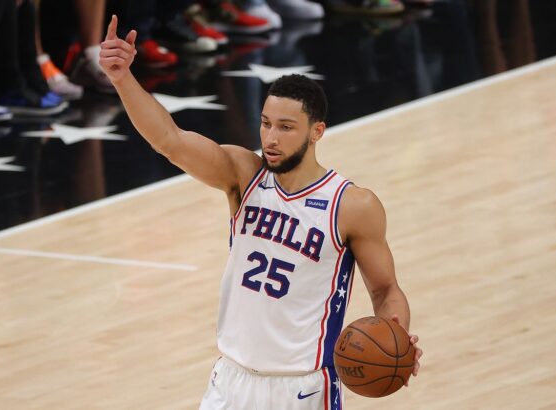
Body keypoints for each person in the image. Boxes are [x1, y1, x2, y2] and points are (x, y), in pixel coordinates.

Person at [100, 15, 422, 409]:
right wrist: (122, 79)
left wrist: (395, 337)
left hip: (301, 389)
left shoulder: (351, 205)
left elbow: (385, 289)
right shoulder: (243, 175)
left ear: (317, 131)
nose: (270, 137)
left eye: (286, 127)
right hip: (230, 380)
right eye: (266, 123)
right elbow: (170, 140)